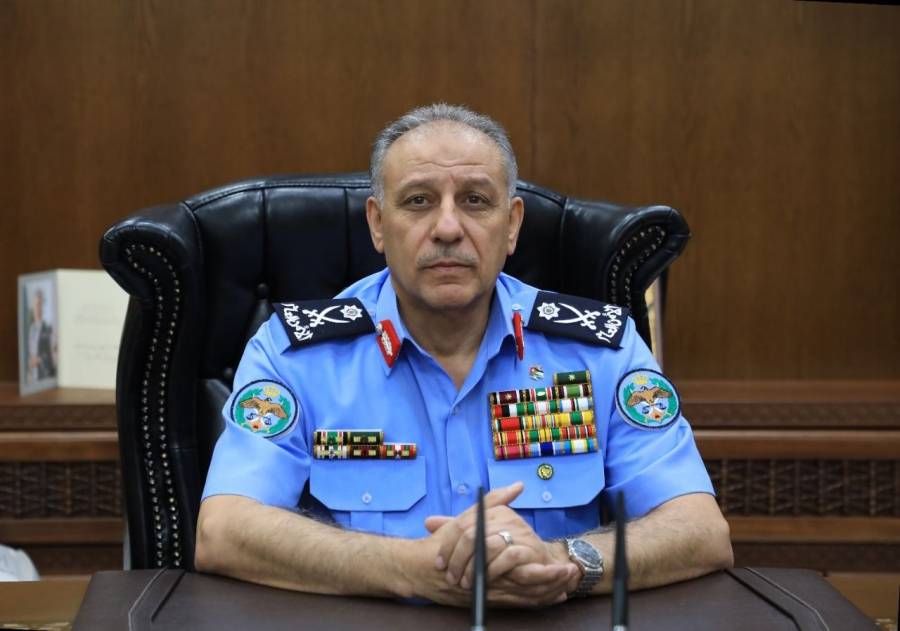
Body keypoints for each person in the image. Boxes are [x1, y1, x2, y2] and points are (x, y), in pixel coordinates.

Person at [195, 104, 733, 607]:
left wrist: (565, 562)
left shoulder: (600, 350)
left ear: (512, 224)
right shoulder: (294, 353)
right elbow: (224, 530)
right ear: (378, 224)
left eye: (475, 200)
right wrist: (410, 568)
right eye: (418, 201)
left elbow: (700, 529)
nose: (448, 228)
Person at [27, 289, 56, 382]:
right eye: (36, 305)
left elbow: (52, 355)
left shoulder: (48, 329)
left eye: (40, 305)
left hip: (45, 377)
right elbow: (30, 352)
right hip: (34, 377)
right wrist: (29, 361)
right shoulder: (31, 329)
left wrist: (38, 360)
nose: (38, 308)